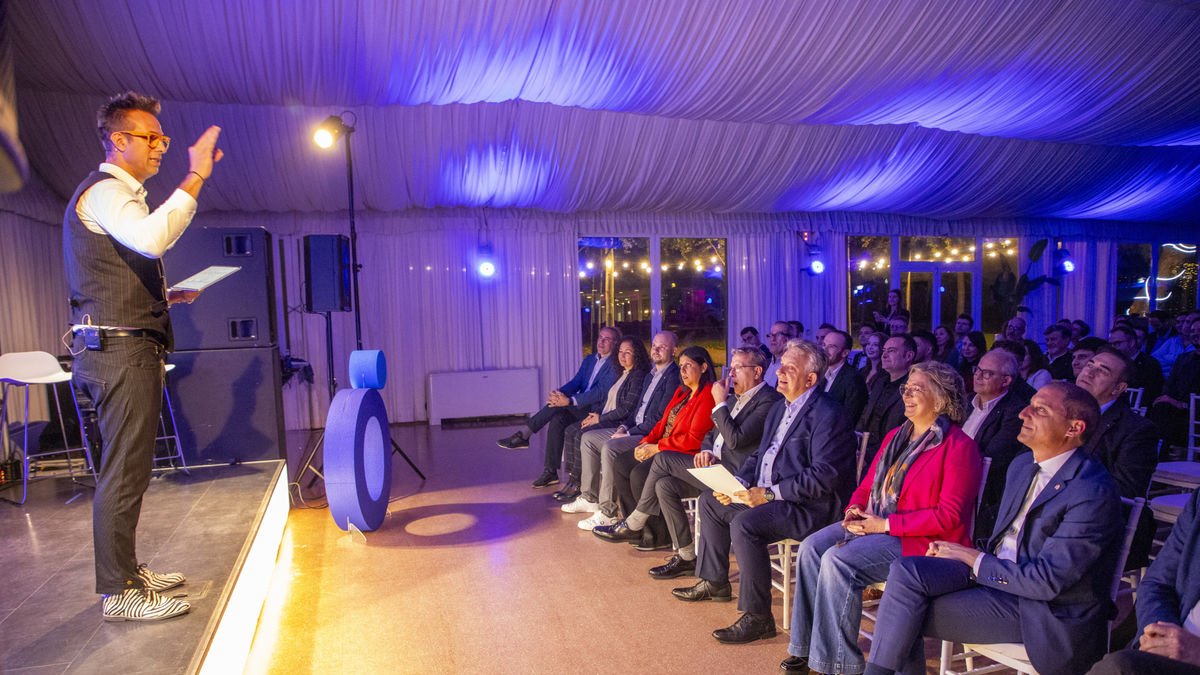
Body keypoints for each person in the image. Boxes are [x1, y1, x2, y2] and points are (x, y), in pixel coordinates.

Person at [66, 91, 222, 621]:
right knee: (124, 473)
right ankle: (119, 592)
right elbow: (151, 239)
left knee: (130, 469)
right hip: (118, 351)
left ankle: (129, 573)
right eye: (150, 137)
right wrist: (195, 175)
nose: (159, 147)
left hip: (119, 346)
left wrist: (163, 296)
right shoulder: (107, 191)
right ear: (118, 140)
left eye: (163, 138)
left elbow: (119, 266)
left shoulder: (113, 194)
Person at [862, 382, 1123, 675]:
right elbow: (1003, 541)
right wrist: (961, 554)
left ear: (1073, 428)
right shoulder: (1022, 465)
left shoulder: (1092, 492)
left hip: (1042, 608)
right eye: (1029, 405)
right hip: (995, 576)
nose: (1023, 413)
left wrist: (970, 556)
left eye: (1040, 410)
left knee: (904, 613)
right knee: (906, 571)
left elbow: (1047, 582)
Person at [781, 362, 982, 674]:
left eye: (917, 389)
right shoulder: (895, 437)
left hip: (923, 541)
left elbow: (949, 515)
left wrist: (885, 525)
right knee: (811, 548)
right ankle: (807, 648)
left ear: (941, 399)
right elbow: (866, 486)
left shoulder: (959, 446)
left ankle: (838, 665)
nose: (907, 395)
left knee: (838, 561)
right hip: (878, 523)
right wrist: (854, 509)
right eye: (906, 388)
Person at [671, 340, 856, 645]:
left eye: (789, 368)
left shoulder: (828, 414)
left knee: (746, 524)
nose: (779, 372)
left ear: (810, 379)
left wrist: (768, 494)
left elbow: (824, 477)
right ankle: (715, 582)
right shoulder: (781, 407)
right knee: (710, 502)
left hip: (808, 506)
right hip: (769, 496)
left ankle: (759, 617)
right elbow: (759, 455)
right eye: (781, 365)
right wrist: (737, 484)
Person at [629, 347, 781, 579]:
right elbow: (711, 433)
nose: (731, 374)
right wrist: (707, 450)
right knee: (664, 485)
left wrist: (719, 403)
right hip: (713, 467)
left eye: (737, 368)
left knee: (663, 458)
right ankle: (687, 556)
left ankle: (637, 519)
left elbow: (736, 439)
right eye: (731, 368)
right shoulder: (735, 397)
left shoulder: (768, 400)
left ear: (757, 371)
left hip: (736, 475)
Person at [591, 346, 717, 549]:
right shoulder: (682, 391)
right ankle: (635, 528)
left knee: (639, 474)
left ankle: (657, 535)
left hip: (680, 453)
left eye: (688, 365)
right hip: (662, 446)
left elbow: (694, 440)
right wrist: (645, 443)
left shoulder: (708, 394)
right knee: (622, 463)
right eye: (681, 366)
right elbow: (662, 424)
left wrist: (657, 447)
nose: (683, 370)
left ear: (703, 367)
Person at [1086, 490, 1200, 675]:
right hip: (1169, 647)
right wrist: (1162, 639)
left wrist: (1196, 651)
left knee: (1122, 666)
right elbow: (1157, 583)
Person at [575, 332, 680, 526]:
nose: (656, 350)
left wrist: (629, 432)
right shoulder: (651, 375)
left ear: (674, 351)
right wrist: (624, 427)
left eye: (662, 347)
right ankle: (590, 497)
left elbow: (659, 419)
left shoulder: (673, 377)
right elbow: (637, 411)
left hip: (648, 435)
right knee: (588, 439)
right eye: (654, 345)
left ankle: (607, 512)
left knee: (610, 446)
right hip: (633, 428)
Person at [498, 326, 621, 489]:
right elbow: (576, 382)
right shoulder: (590, 359)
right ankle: (550, 472)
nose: (601, 341)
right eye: (600, 337)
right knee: (557, 419)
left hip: (595, 409)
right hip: (580, 406)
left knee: (558, 408)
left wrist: (569, 401)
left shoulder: (614, 364)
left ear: (615, 343)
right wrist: (559, 393)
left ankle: (524, 435)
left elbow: (600, 392)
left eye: (607, 339)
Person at [1076, 346, 1161, 568]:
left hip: (1099, 523)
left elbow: (1125, 490)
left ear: (1119, 388)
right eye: (1090, 365)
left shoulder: (1137, 430)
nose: (1089, 372)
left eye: (1102, 370)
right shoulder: (1061, 412)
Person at [556, 336, 650, 504]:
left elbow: (626, 409)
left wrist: (600, 418)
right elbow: (607, 401)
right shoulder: (622, 373)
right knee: (570, 430)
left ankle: (578, 484)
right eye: (620, 352)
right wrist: (594, 415)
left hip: (617, 421)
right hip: (605, 416)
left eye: (627, 352)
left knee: (580, 434)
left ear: (637, 355)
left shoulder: (638, 376)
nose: (622, 356)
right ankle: (573, 479)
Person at [965, 349, 1031, 539]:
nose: (978, 376)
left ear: (1006, 380)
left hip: (983, 489)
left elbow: (992, 457)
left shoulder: (1015, 412)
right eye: (977, 370)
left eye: (987, 373)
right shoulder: (965, 401)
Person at [857, 335, 916, 467]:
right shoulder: (879, 382)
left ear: (908, 356)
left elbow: (906, 431)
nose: (884, 355)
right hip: (866, 450)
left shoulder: (913, 388)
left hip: (892, 456)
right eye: (884, 351)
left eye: (891, 351)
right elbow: (865, 414)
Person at [821, 329, 869, 421]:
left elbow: (851, 415)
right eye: (824, 345)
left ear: (845, 353)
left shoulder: (854, 379)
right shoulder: (819, 375)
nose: (824, 350)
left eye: (831, 346)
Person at [1109, 324, 1164, 403]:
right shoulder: (1112, 362)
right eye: (1111, 344)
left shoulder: (1149, 364)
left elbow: (1151, 394)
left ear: (1132, 342)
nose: (1113, 348)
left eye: (1118, 343)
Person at [763, 321, 795, 387]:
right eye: (770, 335)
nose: (772, 339)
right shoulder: (765, 363)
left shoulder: (794, 366)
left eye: (778, 335)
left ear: (788, 339)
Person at [957, 331, 988, 396]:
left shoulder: (984, 367)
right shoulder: (961, 364)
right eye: (964, 344)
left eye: (971, 345)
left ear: (979, 347)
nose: (966, 348)